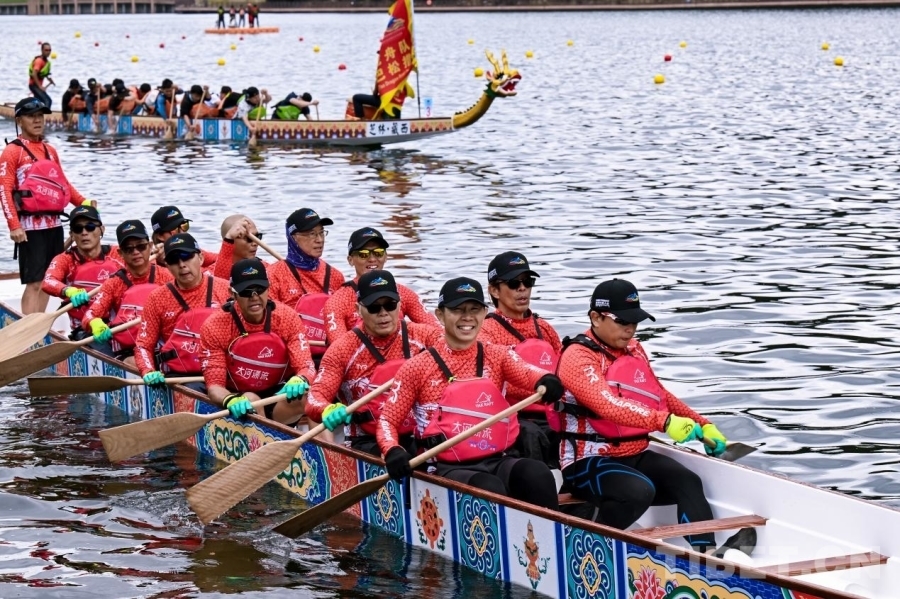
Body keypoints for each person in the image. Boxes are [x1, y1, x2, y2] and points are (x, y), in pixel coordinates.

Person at [553, 278, 755, 557]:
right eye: (623, 321)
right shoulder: (578, 356)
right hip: (586, 460)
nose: (630, 329)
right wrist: (666, 422)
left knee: (687, 481)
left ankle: (707, 556)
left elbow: (659, 395)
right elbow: (607, 405)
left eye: (635, 321)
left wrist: (703, 424)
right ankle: (584, 548)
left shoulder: (634, 349)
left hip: (633, 453)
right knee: (639, 491)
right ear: (596, 318)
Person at [374, 277, 565, 510]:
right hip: (444, 466)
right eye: (458, 310)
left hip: (497, 457)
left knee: (537, 473)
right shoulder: (417, 367)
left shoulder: (498, 355)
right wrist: (392, 449)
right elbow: (387, 421)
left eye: (474, 309)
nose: (467, 317)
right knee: (489, 486)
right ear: (440, 315)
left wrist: (546, 379)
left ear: (484, 313)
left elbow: (528, 373)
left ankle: (552, 529)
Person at [307, 270, 442, 455]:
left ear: (399, 305)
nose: (383, 313)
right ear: (358, 310)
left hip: (418, 434)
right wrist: (326, 408)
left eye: (390, 305)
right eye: (374, 307)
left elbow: (462, 354)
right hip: (367, 440)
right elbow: (315, 397)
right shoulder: (343, 349)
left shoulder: (425, 336)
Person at [0, 98, 92, 315]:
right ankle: (27, 328)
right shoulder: (12, 151)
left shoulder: (50, 150)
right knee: (34, 282)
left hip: (54, 225)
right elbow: (4, 189)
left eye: (40, 116)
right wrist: (14, 225)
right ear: (19, 120)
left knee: (49, 280)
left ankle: (39, 324)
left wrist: (85, 204)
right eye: (31, 116)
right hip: (29, 229)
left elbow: (63, 185)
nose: (37, 120)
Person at [200, 258, 315, 425]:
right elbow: (214, 386)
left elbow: (306, 366)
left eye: (259, 289)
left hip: (278, 394)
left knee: (310, 396)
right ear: (232, 293)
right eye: (246, 291)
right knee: (251, 399)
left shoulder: (287, 317)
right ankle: (266, 437)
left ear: (268, 288)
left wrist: (302, 378)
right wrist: (229, 399)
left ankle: (323, 443)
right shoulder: (215, 326)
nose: (254, 297)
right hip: (240, 398)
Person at [480, 251, 563, 467]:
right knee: (531, 435)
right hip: (513, 415)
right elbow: (488, 386)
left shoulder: (544, 328)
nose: (522, 288)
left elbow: (565, 372)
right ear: (494, 290)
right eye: (514, 283)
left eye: (527, 282)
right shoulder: (486, 332)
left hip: (552, 412)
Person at [135, 233, 231, 387]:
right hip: (182, 375)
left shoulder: (225, 290)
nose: (182, 265)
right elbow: (143, 345)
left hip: (222, 370)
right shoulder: (157, 298)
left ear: (200, 258)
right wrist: (147, 370)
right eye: (174, 260)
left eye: (187, 256)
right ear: (167, 266)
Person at [323, 226, 438, 345]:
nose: (372, 259)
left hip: (401, 353)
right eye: (363, 254)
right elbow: (339, 348)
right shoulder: (337, 302)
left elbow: (438, 333)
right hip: (359, 355)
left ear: (386, 257)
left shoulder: (404, 293)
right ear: (350, 260)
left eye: (378, 253)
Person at [82, 220, 174, 364]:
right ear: (120, 253)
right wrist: (94, 322)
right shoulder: (113, 283)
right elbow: (89, 315)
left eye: (141, 246)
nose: (136, 252)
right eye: (129, 249)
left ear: (150, 246)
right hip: (129, 350)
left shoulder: (167, 277)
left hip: (161, 347)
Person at [266, 208, 345, 360]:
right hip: (291, 355)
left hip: (330, 355)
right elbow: (270, 323)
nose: (319, 240)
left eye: (321, 233)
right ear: (293, 238)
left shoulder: (335, 276)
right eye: (311, 234)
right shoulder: (273, 275)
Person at [41, 206, 123, 340]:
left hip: (120, 324)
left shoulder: (118, 254)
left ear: (102, 229)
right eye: (78, 229)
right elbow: (48, 281)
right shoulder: (65, 259)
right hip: (85, 330)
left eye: (90, 227)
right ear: (72, 235)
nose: (84, 232)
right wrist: (68, 291)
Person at [150, 205, 217, 268]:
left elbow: (219, 260)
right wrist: (162, 263)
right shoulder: (150, 262)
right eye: (175, 230)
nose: (183, 233)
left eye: (184, 226)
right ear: (160, 236)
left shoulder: (191, 248)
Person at [211, 214, 266, 279]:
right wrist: (229, 239)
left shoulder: (265, 267)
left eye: (257, 237)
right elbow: (219, 282)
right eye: (249, 238)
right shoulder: (210, 272)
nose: (255, 243)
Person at [28, 42, 54, 110]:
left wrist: (50, 79)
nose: (48, 52)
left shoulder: (46, 62)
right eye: (46, 50)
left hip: (37, 86)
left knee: (38, 102)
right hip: (34, 85)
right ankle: (44, 115)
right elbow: (34, 74)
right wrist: (40, 86)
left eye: (49, 50)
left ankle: (32, 112)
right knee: (47, 101)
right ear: (42, 50)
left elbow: (43, 73)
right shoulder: (39, 61)